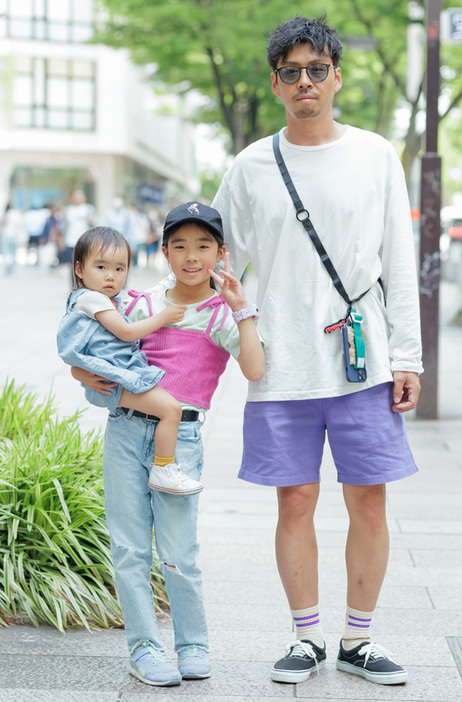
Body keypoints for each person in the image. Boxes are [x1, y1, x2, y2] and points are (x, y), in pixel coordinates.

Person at [212, 15, 423, 688]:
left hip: (363, 363)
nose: (304, 82)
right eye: (289, 72)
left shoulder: (374, 155)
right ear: (275, 84)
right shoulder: (248, 168)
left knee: (368, 502)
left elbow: (399, 257)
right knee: (294, 502)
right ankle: (305, 637)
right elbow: (214, 273)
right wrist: (243, 338)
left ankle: (358, 639)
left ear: (336, 77)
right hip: (281, 369)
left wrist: (408, 357)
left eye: (315, 70)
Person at [70, 202, 265, 686]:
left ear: (221, 253)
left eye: (203, 246)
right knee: (130, 548)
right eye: (180, 245)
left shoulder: (221, 315)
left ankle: (192, 642)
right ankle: (144, 649)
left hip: (183, 440)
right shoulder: (140, 304)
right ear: (164, 251)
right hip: (125, 429)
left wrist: (242, 310)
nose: (191, 256)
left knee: (180, 550)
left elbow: (256, 369)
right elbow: (94, 357)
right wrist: (82, 372)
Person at [57, 226, 202, 496]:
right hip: (117, 380)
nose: (111, 276)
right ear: (79, 269)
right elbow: (125, 332)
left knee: (168, 409)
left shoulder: (106, 301)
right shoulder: (90, 299)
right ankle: (164, 468)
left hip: (115, 378)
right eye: (101, 267)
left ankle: (163, 467)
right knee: (171, 410)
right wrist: (164, 317)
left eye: (120, 269)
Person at [62, 188, 96, 265]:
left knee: (84, 262)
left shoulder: (89, 208)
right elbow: (64, 226)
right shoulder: (68, 209)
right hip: (70, 241)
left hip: (85, 241)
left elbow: (94, 224)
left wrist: (89, 219)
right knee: (72, 263)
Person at [0, 203, 25, 274]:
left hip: (5, 235)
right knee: (13, 252)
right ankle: (12, 268)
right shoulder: (15, 214)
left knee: (5, 252)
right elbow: (19, 224)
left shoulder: (4, 214)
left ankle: (6, 267)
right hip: (13, 235)